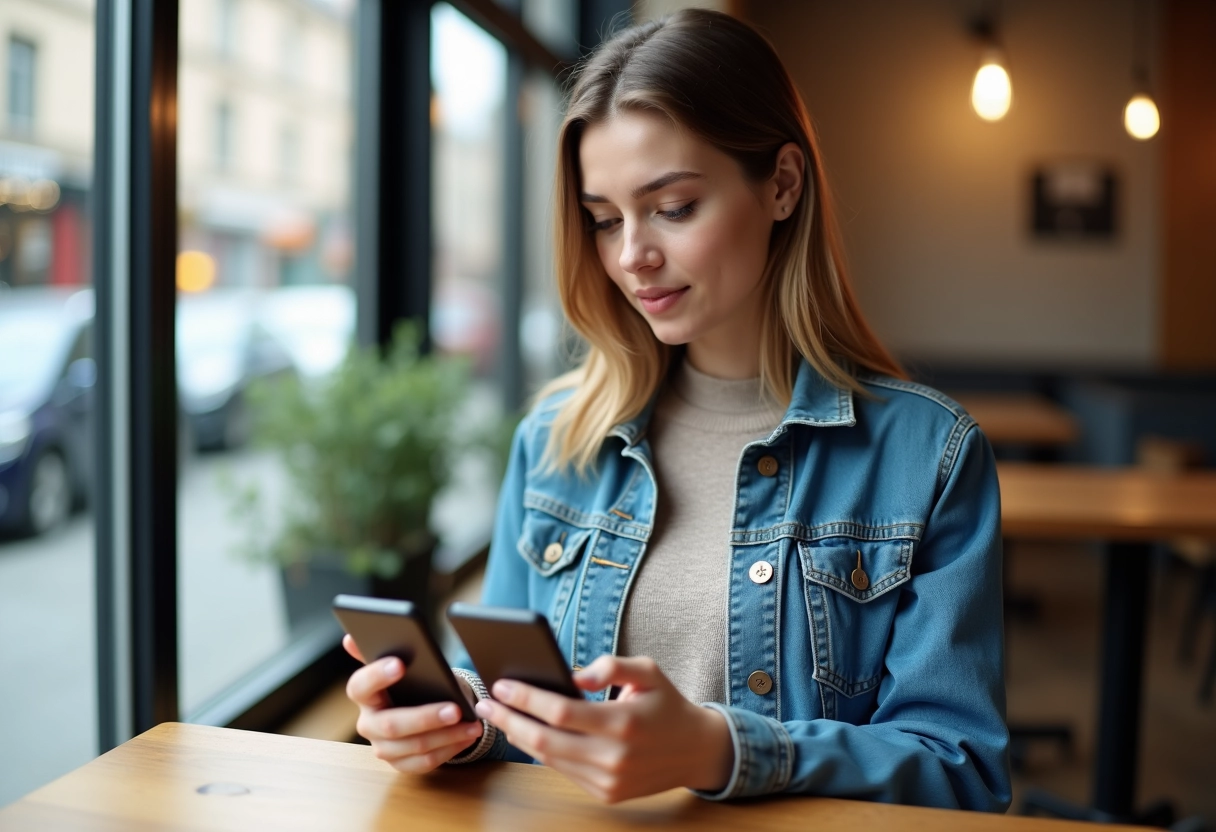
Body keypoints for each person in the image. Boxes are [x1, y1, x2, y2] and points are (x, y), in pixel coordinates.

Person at [344, 8, 1010, 811]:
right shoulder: (557, 440)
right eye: (603, 220)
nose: (632, 256)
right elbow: (510, 696)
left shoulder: (927, 457)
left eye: (674, 206)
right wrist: (453, 723)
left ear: (783, 186)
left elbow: (960, 770)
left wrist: (718, 749)